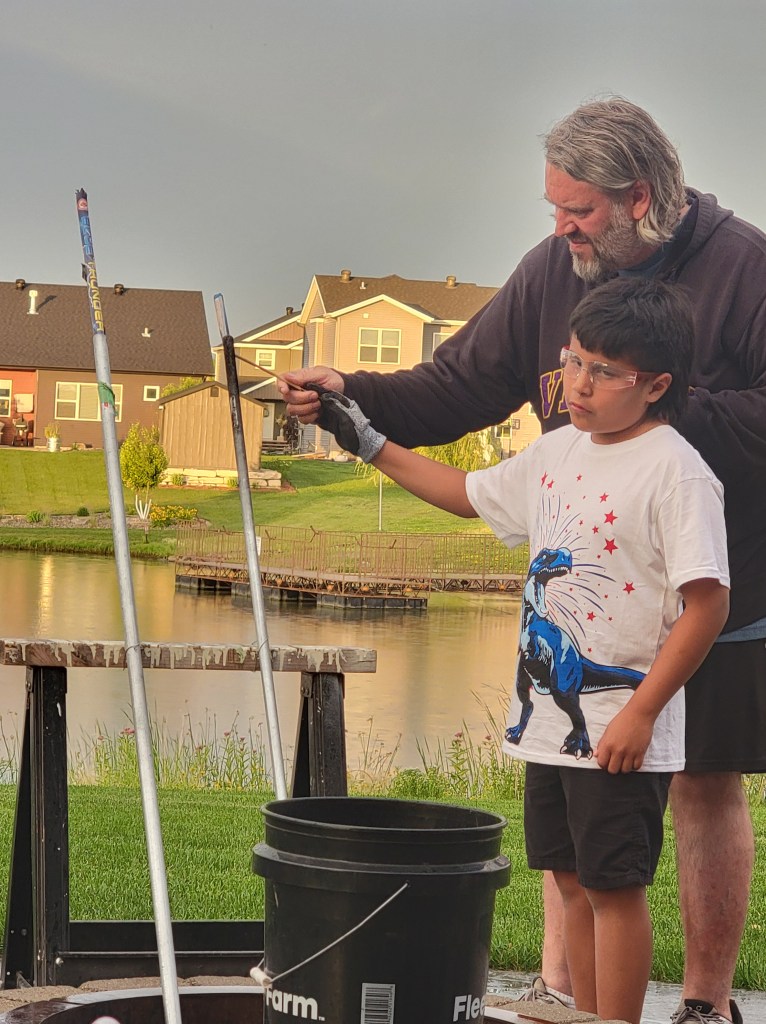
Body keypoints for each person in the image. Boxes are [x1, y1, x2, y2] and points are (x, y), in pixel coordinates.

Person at [279, 97, 766, 1024]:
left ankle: (706, 1003)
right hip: (588, 603)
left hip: (727, 573)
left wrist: (659, 425)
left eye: (578, 211)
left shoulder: (747, 269)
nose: (561, 228)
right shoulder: (555, 272)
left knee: (705, 779)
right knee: (568, 814)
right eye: (554, 208)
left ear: (641, 197)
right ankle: (563, 990)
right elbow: (460, 384)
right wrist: (359, 403)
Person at [309, 276, 730, 1024]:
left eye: (604, 372)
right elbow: (466, 491)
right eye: (573, 362)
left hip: (621, 734)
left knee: (614, 889)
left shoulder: (676, 470)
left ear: (657, 385)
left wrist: (641, 712)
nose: (579, 384)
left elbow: (708, 605)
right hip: (552, 729)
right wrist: (366, 440)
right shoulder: (558, 450)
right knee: (570, 882)